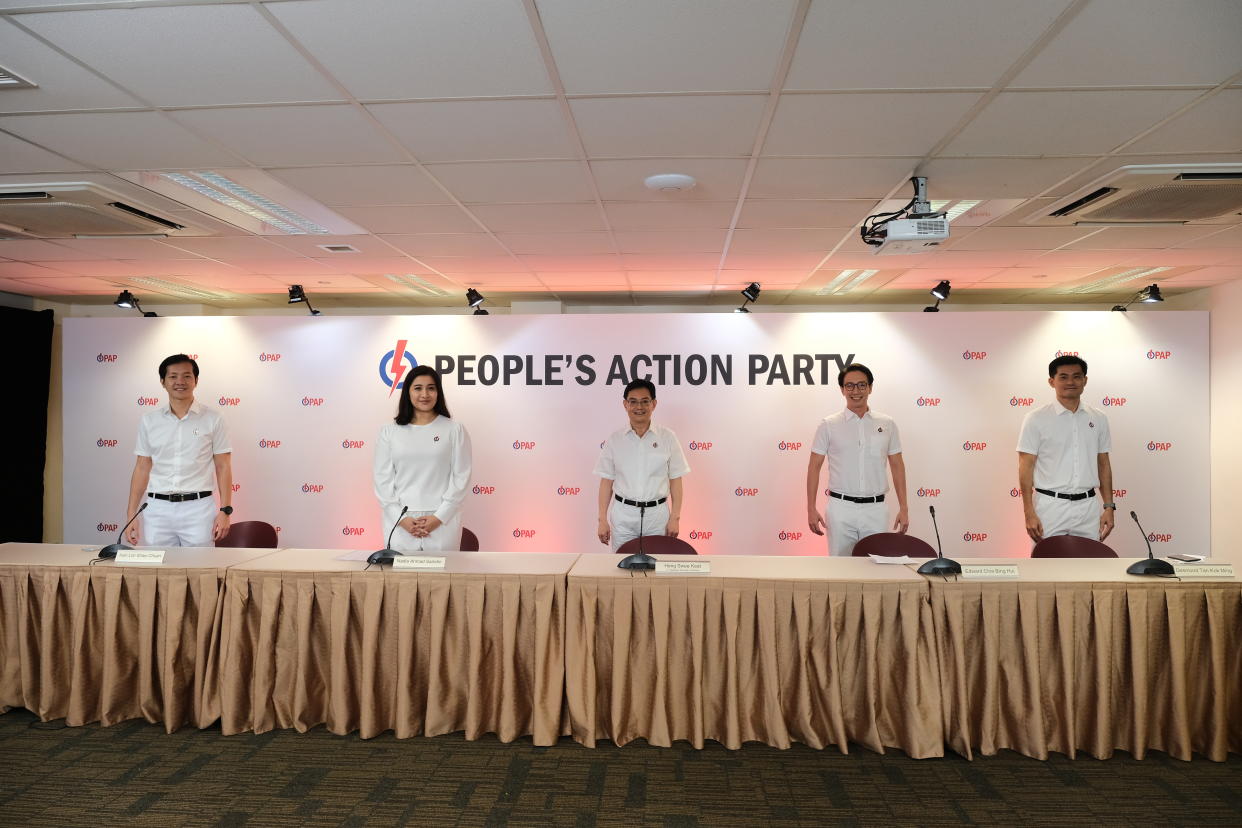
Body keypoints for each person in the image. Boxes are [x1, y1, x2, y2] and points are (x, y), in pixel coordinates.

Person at [125, 354, 233, 547]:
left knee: (201, 571)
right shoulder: (149, 420)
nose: (180, 382)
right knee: (158, 571)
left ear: (196, 381)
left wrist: (225, 510)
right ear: (162, 382)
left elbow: (223, 466)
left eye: (186, 376)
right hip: (157, 509)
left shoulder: (214, 418)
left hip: (198, 509)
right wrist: (132, 514)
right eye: (173, 376)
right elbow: (142, 467)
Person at [806, 362, 909, 556]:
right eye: (850, 386)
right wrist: (811, 508)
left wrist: (904, 508)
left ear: (870, 387)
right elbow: (814, 467)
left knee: (876, 570)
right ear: (842, 390)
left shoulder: (887, 424)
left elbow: (897, 465)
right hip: (840, 509)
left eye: (862, 385)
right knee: (840, 571)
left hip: (876, 510)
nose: (856, 391)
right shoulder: (828, 425)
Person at [373, 365, 472, 552]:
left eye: (431, 388)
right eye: (418, 388)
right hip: (400, 522)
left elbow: (461, 478)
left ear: (438, 392)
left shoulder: (454, 430)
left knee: (443, 579)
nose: (425, 394)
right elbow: (382, 481)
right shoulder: (389, 432)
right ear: (408, 393)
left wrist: (438, 517)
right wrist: (402, 520)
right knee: (402, 581)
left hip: (443, 522)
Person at [1017, 355, 1115, 542]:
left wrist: (1109, 507)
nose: (1071, 381)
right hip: (1049, 507)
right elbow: (1025, 466)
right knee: (1045, 566)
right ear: (1051, 381)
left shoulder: (1099, 418)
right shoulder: (1036, 418)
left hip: (1088, 508)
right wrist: (1029, 512)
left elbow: (1103, 464)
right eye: (1063, 377)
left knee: (1087, 566)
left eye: (1077, 376)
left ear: (1085, 381)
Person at [594, 379, 689, 551]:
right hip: (623, 516)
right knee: (622, 570)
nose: (639, 407)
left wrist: (675, 517)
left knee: (655, 569)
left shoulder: (668, 437)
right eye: (633, 402)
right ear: (625, 404)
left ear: (654, 404)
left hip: (657, 517)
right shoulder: (615, 440)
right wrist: (602, 520)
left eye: (645, 401)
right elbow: (606, 482)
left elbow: (676, 479)